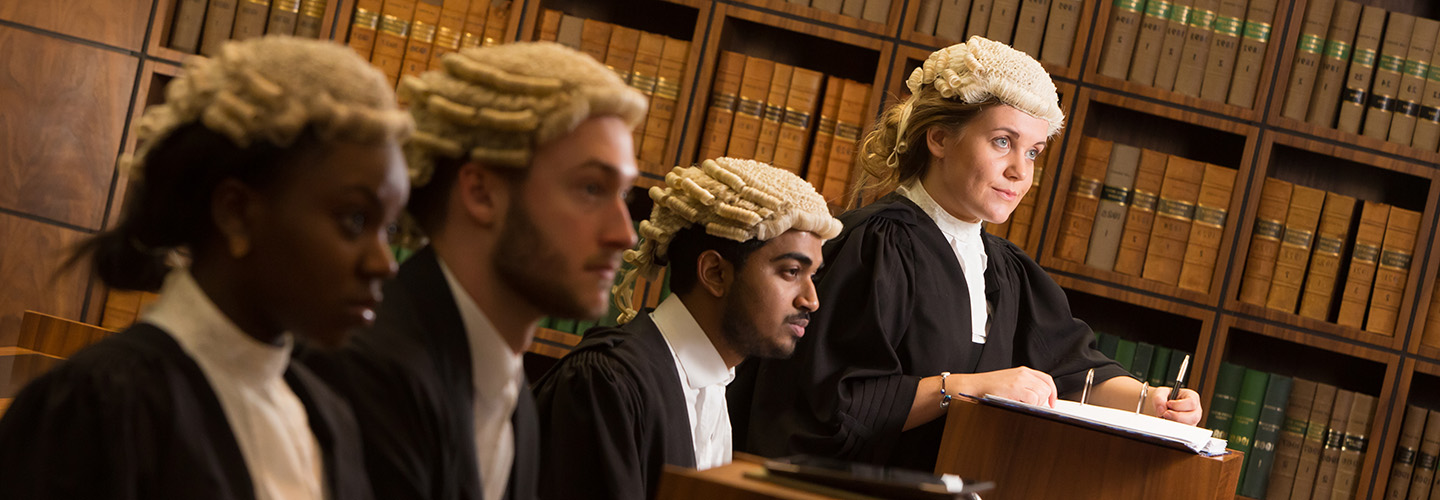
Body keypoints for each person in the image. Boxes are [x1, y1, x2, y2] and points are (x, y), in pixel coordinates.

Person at [732, 36, 1204, 472]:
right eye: (1003, 142)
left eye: (1034, 152)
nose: (1021, 172)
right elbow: (833, 404)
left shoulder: (1007, 270)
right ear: (939, 138)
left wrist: (1153, 401)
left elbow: (1073, 371)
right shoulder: (875, 245)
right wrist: (966, 387)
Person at [0, 37, 413, 499]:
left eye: (390, 230)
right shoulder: (97, 410)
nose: (383, 263)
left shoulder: (328, 417)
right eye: (355, 220)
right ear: (236, 212)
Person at [299, 42, 648, 500]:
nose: (625, 235)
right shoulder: (366, 373)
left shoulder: (507, 382)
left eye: (622, 195)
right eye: (590, 188)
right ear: (482, 194)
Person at [532, 157, 843, 500]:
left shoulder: (715, 386)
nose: (811, 300)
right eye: (790, 272)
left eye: (813, 274)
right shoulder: (605, 382)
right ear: (714, 273)